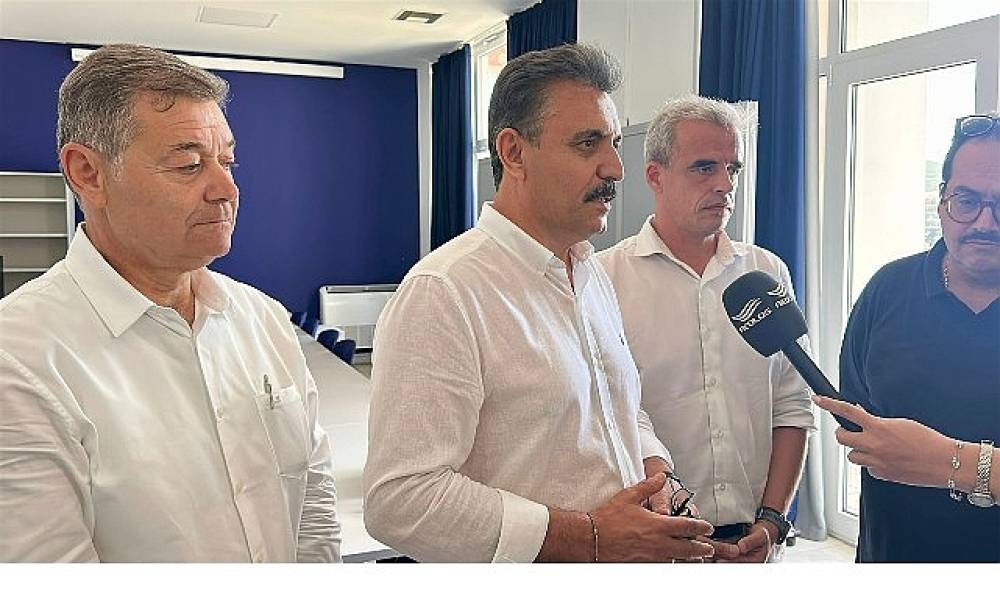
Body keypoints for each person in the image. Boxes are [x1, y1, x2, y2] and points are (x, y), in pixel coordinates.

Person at [363, 44, 718, 563]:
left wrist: (655, 472)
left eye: (615, 143)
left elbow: (614, 410)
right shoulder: (445, 291)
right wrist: (588, 537)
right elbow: (401, 500)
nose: (616, 168)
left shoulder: (591, 273)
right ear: (513, 152)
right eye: (587, 143)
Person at [0, 44, 340, 562]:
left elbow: (312, 503)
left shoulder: (263, 319)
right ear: (88, 173)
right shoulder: (20, 360)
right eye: (188, 164)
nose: (226, 189)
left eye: (228, 161)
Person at [598, 96, 815, 562]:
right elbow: (608, 413)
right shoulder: (604, 279)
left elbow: (792, 405)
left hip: (755, 540)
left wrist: (773, 521)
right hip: (653, 544)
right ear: (655, 175)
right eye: (704, 168)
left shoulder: (767, 272)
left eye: (732, 168)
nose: (725, 184)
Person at [814, 113, 1000, 562]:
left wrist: (951, 462)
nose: (985, 222)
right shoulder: (888, 289)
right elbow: (861, 422)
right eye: (967, 200)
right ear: (942, 203)